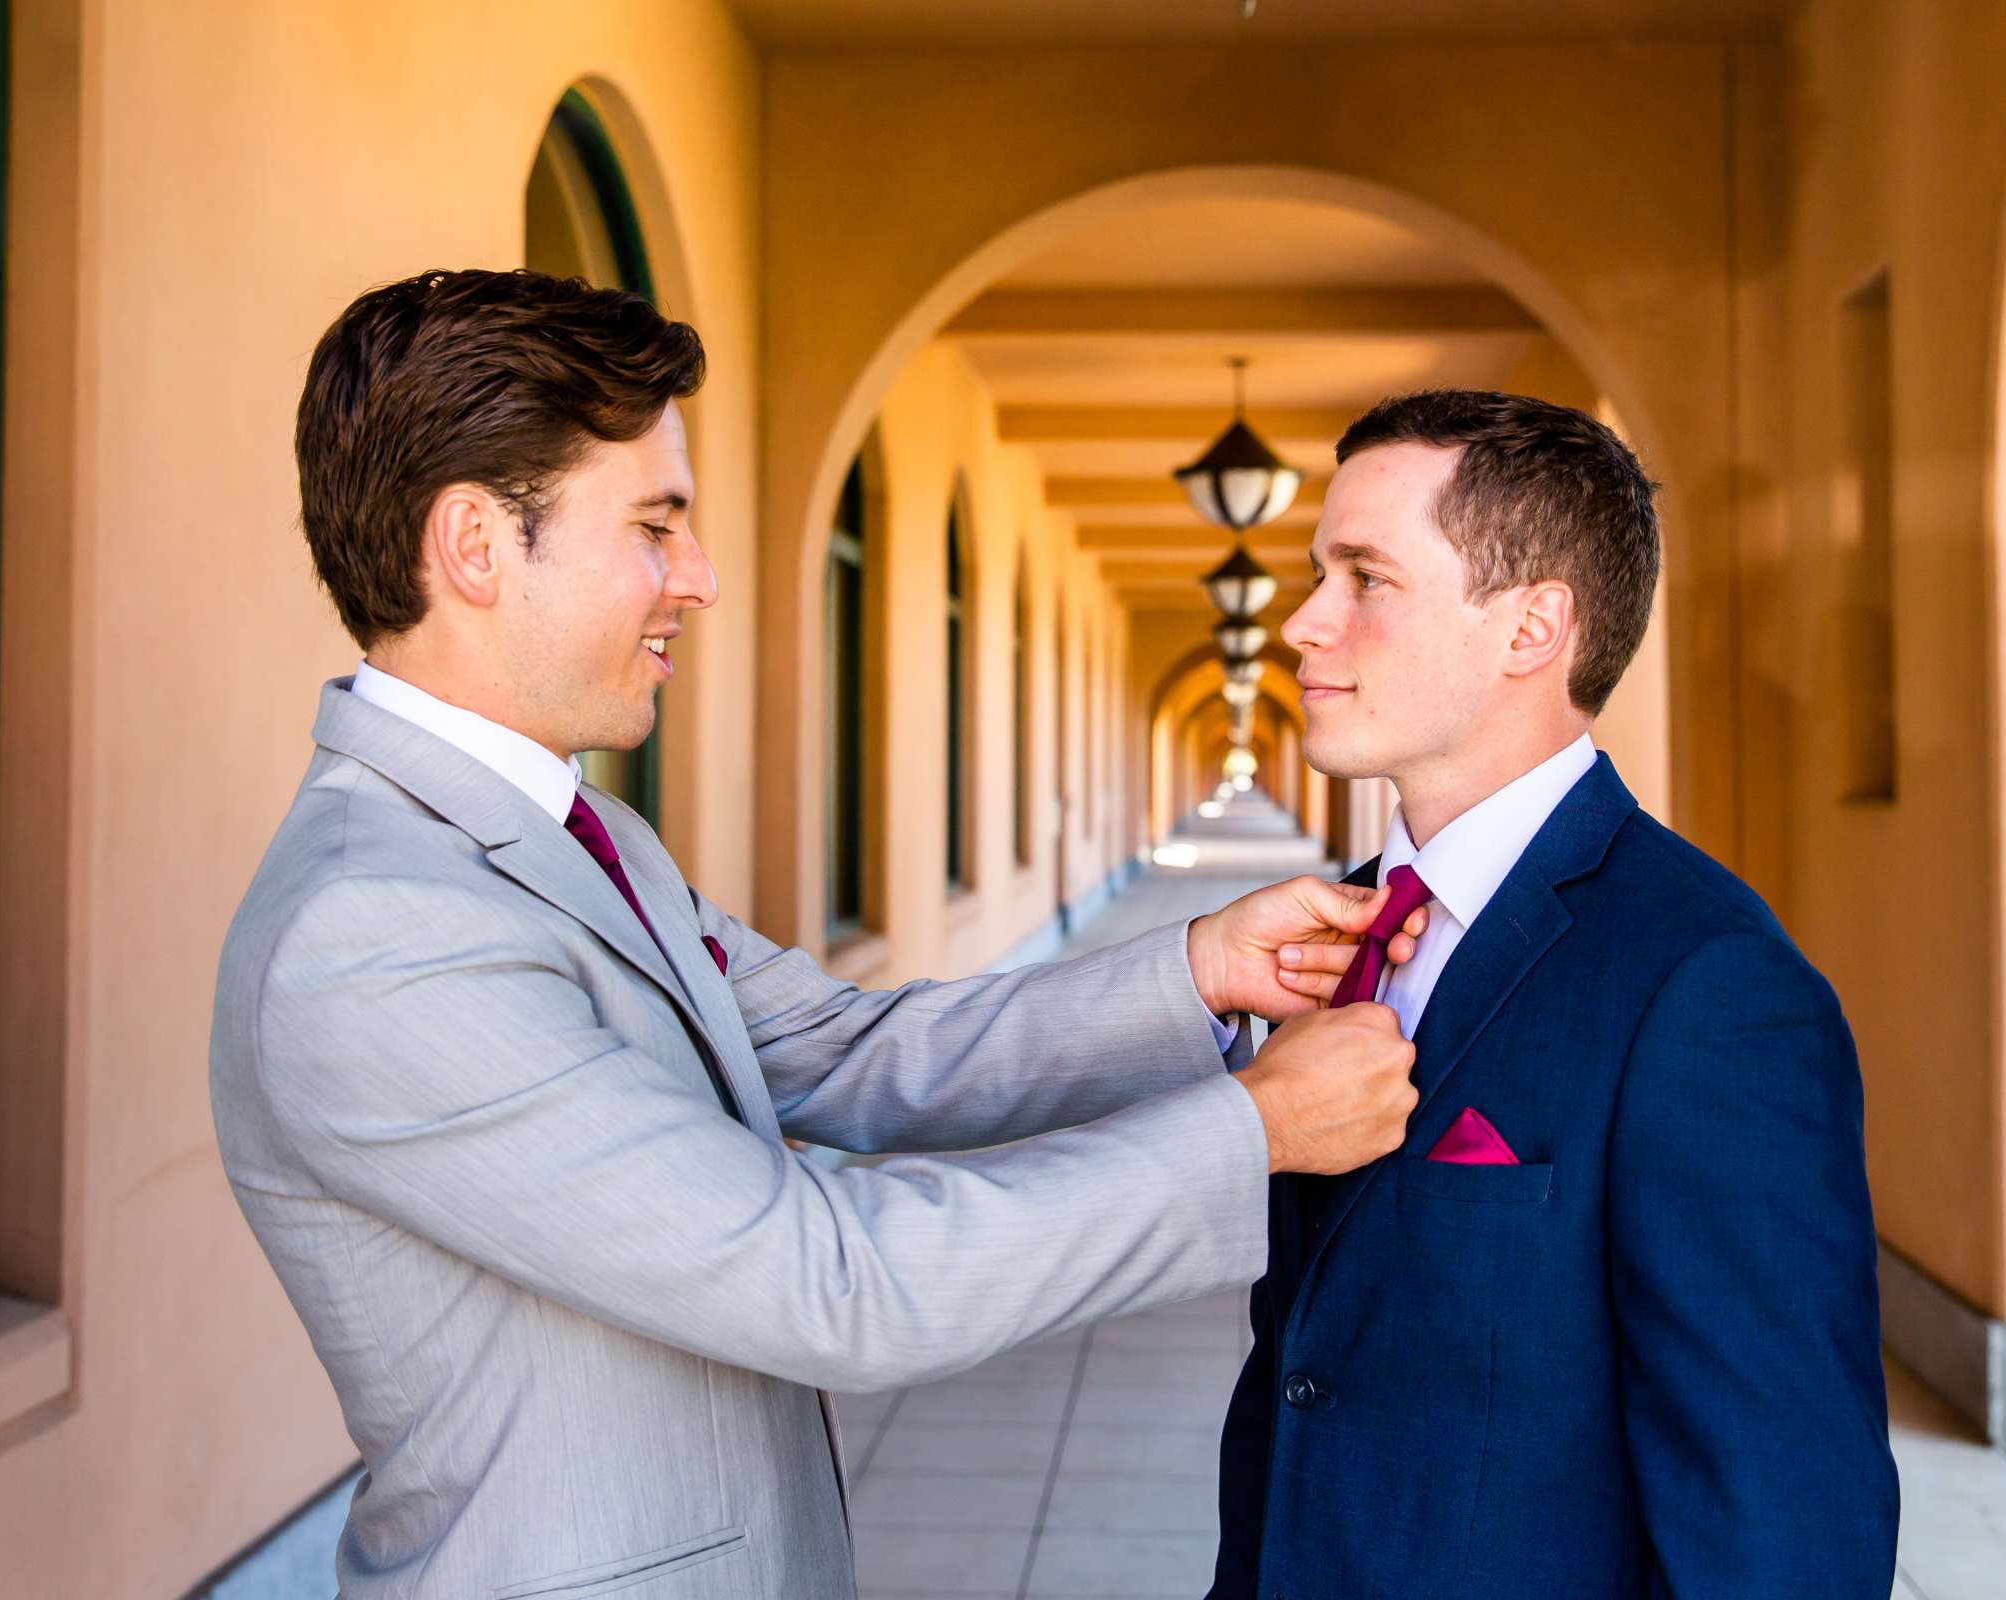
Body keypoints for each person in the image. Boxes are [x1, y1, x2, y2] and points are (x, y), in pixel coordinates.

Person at [209, 268, 1424, 1600]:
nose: (703, 579)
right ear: (476, 546)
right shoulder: (377, 932)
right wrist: (1254, 1133)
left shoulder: (553, 834)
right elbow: (823, 1281)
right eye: (657, 525)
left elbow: (847, 1051)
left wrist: (1197, 970)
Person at [1211, 390, 1899, 1598]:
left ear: (1532, 627)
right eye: (1319, 573)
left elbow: (1781, 1506)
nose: (1306, 624)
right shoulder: (1339, 927)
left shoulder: (1712, 987)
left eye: (1366, 578)